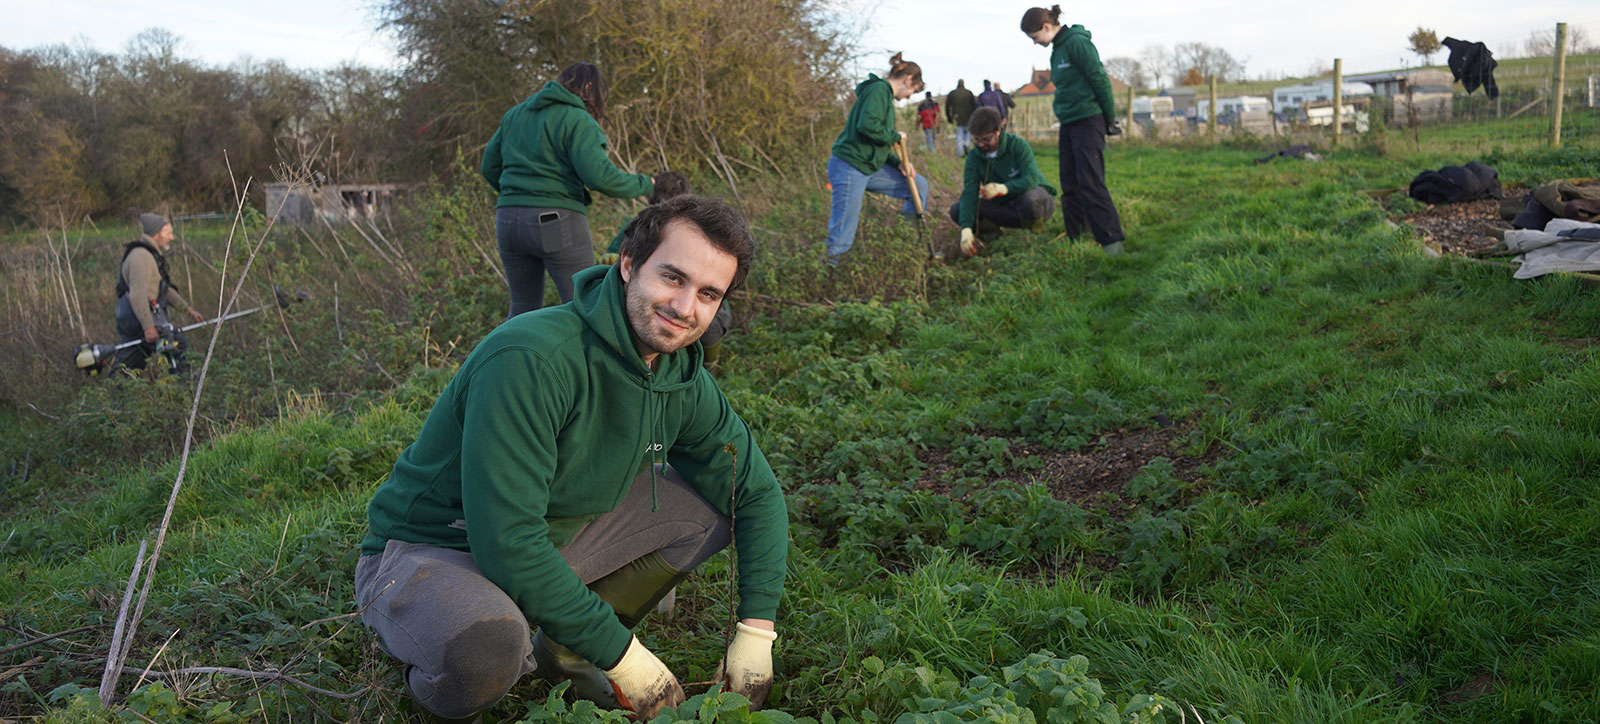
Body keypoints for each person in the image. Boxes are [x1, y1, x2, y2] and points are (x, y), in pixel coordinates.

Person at [354, 196, 788, 724]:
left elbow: (756, 492)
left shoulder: (680, 377)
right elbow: (507, 542)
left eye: (708, 293)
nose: (685, 307)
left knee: (708, 508)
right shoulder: (532, 359)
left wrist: (755, 634)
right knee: (486, 652)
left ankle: (566, 649)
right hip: (439, 548)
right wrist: (624, 656)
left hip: (553, 537)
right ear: (628, 263)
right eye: (673, 277)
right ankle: (441, 641)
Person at [482, 62, 654, 317]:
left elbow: (489, 166)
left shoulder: (515, 114)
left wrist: (518, 196)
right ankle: (587, 358)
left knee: (522, 308)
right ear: (588, 87)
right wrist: (644, 184)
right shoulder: (578, 120)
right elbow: (600, 178)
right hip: (554, 221)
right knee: (584, 305)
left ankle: (507, 357)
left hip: (507, 220)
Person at [599, 171, 734, 367]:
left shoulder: (705, 232)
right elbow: (610, 257)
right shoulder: (641, 227)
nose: (684, 308)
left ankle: (709, 367)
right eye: (672, 277)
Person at [1022, 5, 1127, 254]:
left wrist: (1110, 118)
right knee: (1069, 185)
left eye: (1035, 37)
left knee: (1091, 183)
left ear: (1046, 27)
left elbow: (1099, 79)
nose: (1035, 43)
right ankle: (1077, 240)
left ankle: (1112, 243)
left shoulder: (1078, 43)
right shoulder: (1057, 51)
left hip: (1088, 120)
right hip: (1068, 123)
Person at [823, 52, 933, 264]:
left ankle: (906, 245)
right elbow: (866, 126)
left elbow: (878, 143)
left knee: (918, 186)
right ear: (908, 79)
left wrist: (898, 162)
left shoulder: (885, 97)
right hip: (850, 165)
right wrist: (895, 135)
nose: (910, 96)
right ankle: (827, 272)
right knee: (843, 232)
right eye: (912, 90)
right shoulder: (879, 90)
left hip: (869, 166)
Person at [948, 107, 1056, 257]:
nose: (981, 145)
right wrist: (966, 228)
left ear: (998, 131)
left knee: (1031, 198)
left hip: (1038, 204)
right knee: (957, 210)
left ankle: (1036, 229)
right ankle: (993, 236)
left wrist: (1004, 188)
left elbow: (1031, 179)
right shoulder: (974, 158)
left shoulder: (1017, 145)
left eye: (986, 139)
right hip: (1007, 208)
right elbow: (969, 193)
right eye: (977, 140)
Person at [113, 213, 205, 373]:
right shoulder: (141, 257)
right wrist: (149, 327)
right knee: (181, 349)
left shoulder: (149, 254)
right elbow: (138, 294)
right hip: (141, 320)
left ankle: (114, 394)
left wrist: (186, 309)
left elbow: (162, 289)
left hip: (132, 318)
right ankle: (184, 391)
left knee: (130, 367)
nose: (172, 238)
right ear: (156, 234)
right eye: (168, 233)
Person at [945, 80, 978, 156]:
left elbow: (947, 107)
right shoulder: (969, 93)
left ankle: (960, 153)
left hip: (957, 119)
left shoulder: (952, 93)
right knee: (968, 135)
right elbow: (974, 106)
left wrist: (949, 118)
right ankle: (966, 146)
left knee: (959, 135)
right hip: (969, 118)